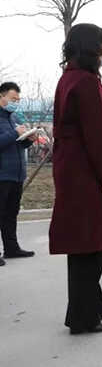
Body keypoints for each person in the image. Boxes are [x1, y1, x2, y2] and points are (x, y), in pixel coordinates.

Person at [49, 24, 102, 334]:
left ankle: (89, 308)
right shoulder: (86, 82)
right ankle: (83, 317)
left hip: (72, 168)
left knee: (85, 244)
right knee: (91, 245)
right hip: (85, 171)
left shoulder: (69, 77)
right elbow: (95, 136)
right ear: (92, 47)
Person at [0, 82, 37, 267]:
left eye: (18, 100)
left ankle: (11, 248)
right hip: (2, 174)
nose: (16, 103)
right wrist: (14, 133)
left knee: (11, 213)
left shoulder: (12, 117)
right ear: (2, 96)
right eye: (13, 99)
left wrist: (28, 139)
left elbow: (17, 143)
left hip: (16, 174)